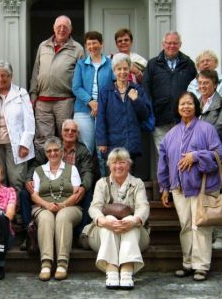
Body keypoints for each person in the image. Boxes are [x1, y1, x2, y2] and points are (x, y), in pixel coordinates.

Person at [157, 91, 222, 282]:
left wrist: (195, 156)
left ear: (196, 107)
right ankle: (188, 263)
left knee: (200, 226)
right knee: (186, 226)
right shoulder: (170, 134)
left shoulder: (207, 129)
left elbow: (219, 154)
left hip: (202, 187)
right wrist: (164, 187)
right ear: (177, 109)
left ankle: (201, 266)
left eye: (190, 103)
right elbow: (163, 162)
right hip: (178, 188)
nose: (186, 107)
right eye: (182, 104)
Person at [86, 148, 150, 290]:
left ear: (129, 165)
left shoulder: (137, 183)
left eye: (122, 162)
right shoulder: (101, 183)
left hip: (135, 237)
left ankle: (127, 270)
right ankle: (112, 269)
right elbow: (94, 207)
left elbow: (143, 207)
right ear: (108, 165)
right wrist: (104, 221)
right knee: (108, 217)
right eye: (114, 162)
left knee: (131, 220)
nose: (118, 166)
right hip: (102, 236)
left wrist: (133, 221)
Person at [21, 119, 94, 241]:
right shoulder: (52, 145)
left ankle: (80, 233)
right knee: (24, 193)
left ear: (77, 134)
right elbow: (34, 164)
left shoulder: (83, 151)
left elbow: (88, 171)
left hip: (70, 190)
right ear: (61, 132)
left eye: (73, 131)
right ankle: (29, 233)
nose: (70, 132)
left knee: (88, 194)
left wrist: (83, 186)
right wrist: (29, 179)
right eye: (66, 130)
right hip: (47, 190)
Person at [0, 60, 35, 191]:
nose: (0, 79)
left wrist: (25, 143)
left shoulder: (21, 93)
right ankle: (1, 209)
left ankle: (17, 210)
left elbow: (30, 120)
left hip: (17, 144)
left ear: (11, 76)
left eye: (4, 75)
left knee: (17, 179)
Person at [31, 136, 83, 281]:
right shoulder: (38, 170)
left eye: (56, 150)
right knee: (46, 218)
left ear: (61, 151)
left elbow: (76, 193)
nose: (53, 153)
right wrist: (46, 205)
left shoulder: (71, 169)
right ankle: (46, 263)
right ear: (46, 153)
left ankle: (62, 263)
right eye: (49, 151)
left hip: (70, 206)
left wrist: (63, 205)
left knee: (63, 216)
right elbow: (34, 195)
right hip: (44, 206)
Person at [30, 15, 85, 147]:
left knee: (67, 137)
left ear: (70, 30)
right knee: (43, 139)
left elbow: (82, 77)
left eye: (65, 27)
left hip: (65, 101)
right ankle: (44, 167)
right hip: (42, 101)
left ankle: (67, 167)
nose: (61, 29)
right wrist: (33, 95)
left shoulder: (78, 49)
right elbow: (35, 71)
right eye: (59, 26)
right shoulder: (43, 46)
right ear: (54, 28)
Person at [196, 69, 222, 250]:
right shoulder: (197, 103)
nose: (203, 86)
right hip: (201, 158)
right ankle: (208, 233)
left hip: (217, 157)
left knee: (218, 196)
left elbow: (220, 127)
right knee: (205, 196)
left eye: (206, 83)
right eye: (200, 83)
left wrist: (196, 143)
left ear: (215, 84)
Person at [142, 31, 197, 151]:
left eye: (175, 43)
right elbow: (146, 89)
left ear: (180, 44)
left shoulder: (188, 64)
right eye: (169, 43)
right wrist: (150, 112)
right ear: (163, 44)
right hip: (160, 118)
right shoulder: (152, 64)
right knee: (163, 154)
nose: (172, 46)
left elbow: (195, 90)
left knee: (182, 153)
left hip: (183, 118)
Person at [96, 53, 152, 166]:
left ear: (129, 70)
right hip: (112, 143)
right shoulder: (106, 91)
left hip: (131, 142)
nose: (122, 72)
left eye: (125, 68)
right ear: (114, 71)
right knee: (114, 176)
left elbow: (145, 115)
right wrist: (102, 142)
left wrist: (136, 100)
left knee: (129, 177)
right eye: (119, 69)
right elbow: (101, 117)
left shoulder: (138, 90)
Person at [72, 31, 114, 155]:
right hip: (83, 110)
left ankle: (103, 175)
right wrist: (91, 102)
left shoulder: (110, 64)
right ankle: (87, 174)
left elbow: (113, 87)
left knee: (103, 149)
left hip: (105, 110)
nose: (92, 46)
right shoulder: (81, 64)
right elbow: (76, 87)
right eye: (89, 44)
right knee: (86, 149)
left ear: (101, 44)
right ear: (86, 46)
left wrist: (100, 104)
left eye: (94, 43)